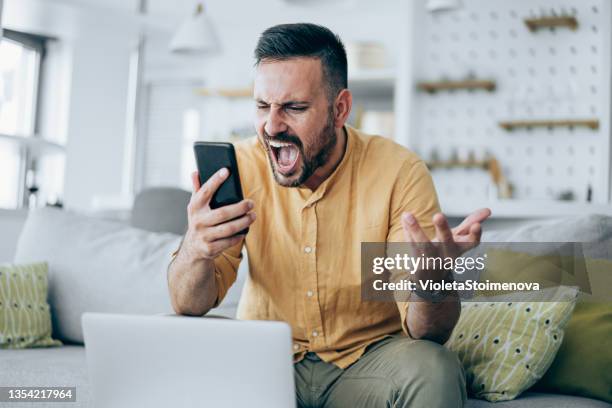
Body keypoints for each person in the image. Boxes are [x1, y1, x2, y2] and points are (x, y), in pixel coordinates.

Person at [168, 23, 491, 408]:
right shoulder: (238, 167)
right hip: (266, 362)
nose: (271, 126)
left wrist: (433, 281)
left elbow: (428, 331)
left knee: (435, 367)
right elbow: (189, 304)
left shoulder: (399, 172)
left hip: (367, 362)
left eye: (294, 107)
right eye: (261, 106)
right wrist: (195, 248)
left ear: (340, 109)